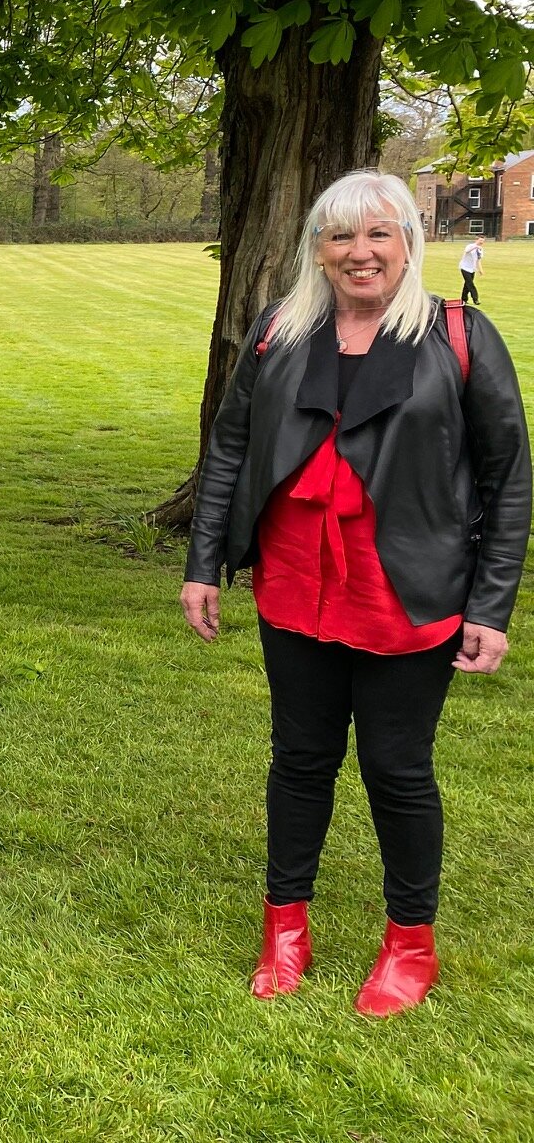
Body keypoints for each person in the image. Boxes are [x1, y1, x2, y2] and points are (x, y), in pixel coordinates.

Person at [181, 170, 528, 1016]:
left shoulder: (460, 336)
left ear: (409, 241)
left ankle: (410, 942)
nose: (359, 252)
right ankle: (284, 930)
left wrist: (490, 608)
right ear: (319, 249)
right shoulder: (281, 330)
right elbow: (228, 450)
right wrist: (203, 563)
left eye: (379, 233)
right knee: (299, 761)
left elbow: (508, 479)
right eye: (340, 236)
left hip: (406, 593)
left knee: (396, 768)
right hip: (295, 586)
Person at [459, 234, 484, 305]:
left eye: (482, 241)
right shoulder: (470, 246)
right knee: (470, 284)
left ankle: (463, 299)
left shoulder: (480, 250)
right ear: (476, 240)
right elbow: (467, 251)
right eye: (480, 240)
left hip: (472, 269)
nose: (481, 242)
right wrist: (475, 247)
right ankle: (475, 299)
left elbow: (478, 261)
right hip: (464, 268)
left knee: (467, 284)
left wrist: (480, 270)